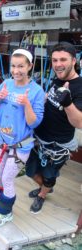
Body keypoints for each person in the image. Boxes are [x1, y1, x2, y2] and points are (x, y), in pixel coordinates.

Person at [0, 49, 45, 227]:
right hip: (1, 141)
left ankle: (6, 212)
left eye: (21, 66)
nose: (16, 70)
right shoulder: (5, 84)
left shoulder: (36, 91)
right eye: (13, 66)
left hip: (20, 146)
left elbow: (34, 123)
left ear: (29, 66)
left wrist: (26, 104)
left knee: (6, 179)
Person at [26, 42, 82, 214]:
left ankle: (42, 194)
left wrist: (67, 102)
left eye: (63, 59)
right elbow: (49, 99)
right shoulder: (58, 79)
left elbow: (79, 122)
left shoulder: (79, 87)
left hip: (58, 144)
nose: (58, 64)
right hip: (40, 137)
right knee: (30, 170)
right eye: (55, 60)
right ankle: (46, 188)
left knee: (49, 176)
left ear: (74, 60)